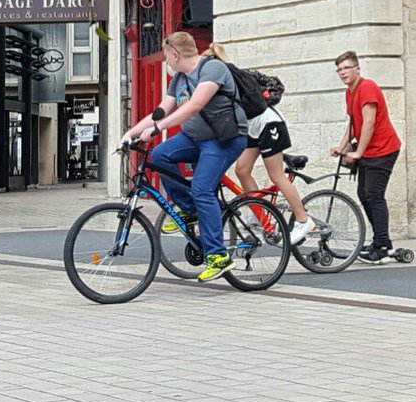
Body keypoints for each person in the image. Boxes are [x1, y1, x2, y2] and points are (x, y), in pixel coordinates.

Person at [120, 34, 248, 282]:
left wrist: (157, 130)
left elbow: (195, 105)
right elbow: (160, 111)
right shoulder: (178, 79)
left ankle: (218, 256)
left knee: (201, 188)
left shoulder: (212, 68)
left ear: (175, 55)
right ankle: (189, 211)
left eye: (166, 55)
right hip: (194, 138)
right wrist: (130, 133)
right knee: (159, 155)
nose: (165, 59)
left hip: (224, 140)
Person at [329, 50, 402, 262]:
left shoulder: (367, 87)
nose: (342, 73)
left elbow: (369, 122)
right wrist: (342, 146)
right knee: (363, 193)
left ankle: (382, 247)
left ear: (357, 69)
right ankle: (382, 241)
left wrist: (358, 152)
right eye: (339, 69)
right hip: (369, 151)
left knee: (374, 195)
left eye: (346, 68)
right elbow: (353, 124)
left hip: (383, 149)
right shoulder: (349, 92)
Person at [235, 97, 318, 246]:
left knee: (276, 176)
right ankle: (259, 213)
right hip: (253, 125)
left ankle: (303, 220)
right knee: (242, 170)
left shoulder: (215, 78)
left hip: (268, 123)